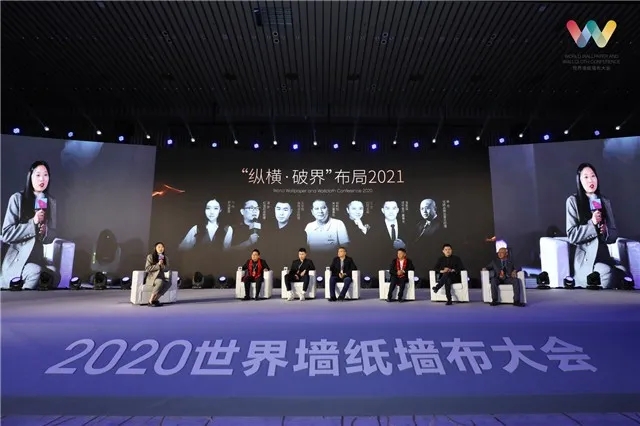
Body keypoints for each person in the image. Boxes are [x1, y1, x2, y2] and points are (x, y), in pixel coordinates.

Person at [1, 161, 58, 290]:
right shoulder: (17, 199)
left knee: (53, 276)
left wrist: (45, 232)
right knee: (35, 272)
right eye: (38, 175)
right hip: (17, 260)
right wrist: (33, 222)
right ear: (30, 177)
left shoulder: (51, 202)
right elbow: (6, 234)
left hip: (37, 258)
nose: (42, 179)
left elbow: (52, 234)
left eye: (45, 175)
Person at [566, 163, 624, 288]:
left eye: (593, 176)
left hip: (604, 255)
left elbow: (613, 235)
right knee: (606, 273)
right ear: (579, 181)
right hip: (586, 259)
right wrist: (592, 223)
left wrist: (605, 231)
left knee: (624, 275)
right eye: (586, 177)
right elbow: (572, 235)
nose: (590, 180)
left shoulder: (604, 201)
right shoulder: (573, 201)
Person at [144, 242, 172, 306]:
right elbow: (147, 268)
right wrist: (158, 265)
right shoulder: (150, 256)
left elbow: (167, 269)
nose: (161, 248)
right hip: (152, 278)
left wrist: (162, 265)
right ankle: (150, 301)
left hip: (161, 277)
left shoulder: (165, 258)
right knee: (160, 281)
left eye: (162, 247)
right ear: (155, 248)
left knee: (168, 283)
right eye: (159, 247)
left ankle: (155, 300)